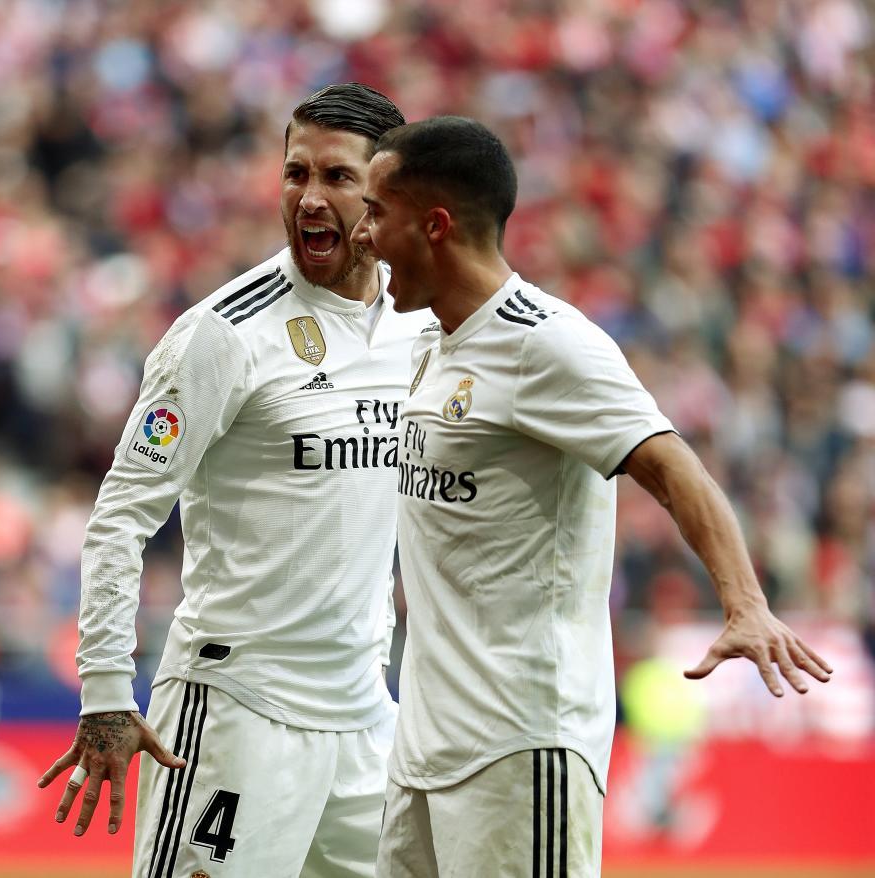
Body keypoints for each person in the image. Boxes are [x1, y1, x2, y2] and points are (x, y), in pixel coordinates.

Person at [349, 116, 834, 878]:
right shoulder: (430, 344)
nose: (363, 235)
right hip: (425, 744)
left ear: (434, 225)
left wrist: (744, 603)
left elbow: (674, 468)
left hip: (520, 742)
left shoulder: (547, 344)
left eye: (377, 213)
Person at [38, 83, 433, 878]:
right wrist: (107, 690)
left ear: (389, 193)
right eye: (296, 173)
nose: (310, 198)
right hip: (237, 712)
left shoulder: (419, 324)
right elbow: (121, 516)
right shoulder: (223, 335)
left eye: (337, 177)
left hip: (363, 716)